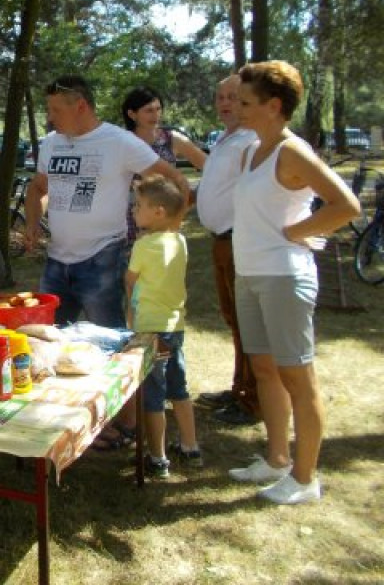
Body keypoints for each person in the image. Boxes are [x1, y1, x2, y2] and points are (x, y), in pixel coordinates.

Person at [227, 61, 359, 504]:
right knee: (265, 371)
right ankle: (277, 458)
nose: (236, 109)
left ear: (274, 106)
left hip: (284, 277)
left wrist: (297, 233)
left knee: (298, 377)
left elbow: (346, 205)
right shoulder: (251, 150)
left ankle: (305, 480)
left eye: (245, 102)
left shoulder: (292, 151)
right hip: (251, 275)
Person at [24, 75, 190, 328]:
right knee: (47, 340)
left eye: (55, 109)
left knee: (109, 342)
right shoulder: (51, 144)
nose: (49, 117)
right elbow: (37, 189)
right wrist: (32, 223)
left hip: (102, 260)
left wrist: (170, 230)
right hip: (56, 262)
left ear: (80, 106)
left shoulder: (119, 142)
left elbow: (175, 180)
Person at [194, 74, 261, 426]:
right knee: (234, 321)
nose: (224, 103)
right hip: (222, 241)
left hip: (240, 241)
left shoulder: (252, 141)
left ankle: (253, 398)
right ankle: (239, 388)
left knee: (248, 324)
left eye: (233, 97)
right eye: (220, 96)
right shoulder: (226, 138)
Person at [124, 175, 201, 478]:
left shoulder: (143, 246)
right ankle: (190, 445)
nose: (133, 211)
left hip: (150, 330)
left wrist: (130, 312)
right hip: (174, 327)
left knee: (153, 394)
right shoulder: (180, 240)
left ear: (158, 212)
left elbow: (130, 282)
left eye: (139, 206)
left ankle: (157, 457)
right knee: (179, 387)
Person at [121, 85, 207, 245]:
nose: (155, 115)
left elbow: (212, 167)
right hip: (126, 223)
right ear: (132, 114)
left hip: (163, 222)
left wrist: (187, 203)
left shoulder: (171, 139)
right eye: (148, 110)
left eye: (158, 109)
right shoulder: (122, 141)